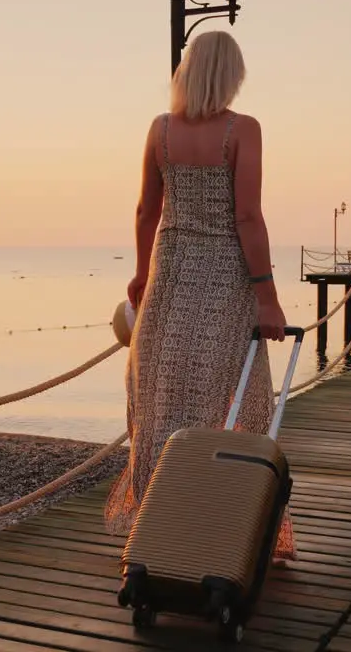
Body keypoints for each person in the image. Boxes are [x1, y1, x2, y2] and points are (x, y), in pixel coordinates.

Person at [103, 30, 296, 564]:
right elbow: (248, 217)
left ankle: (154, 531)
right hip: (224, 277)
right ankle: (233, 526)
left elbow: (147, 211)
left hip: (170, 274)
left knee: (161, 401)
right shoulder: (242, 130)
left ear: (187, 71)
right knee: (238, 399)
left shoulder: (160, 131)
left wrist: (142, 274)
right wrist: (268, 298)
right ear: (230, 75)